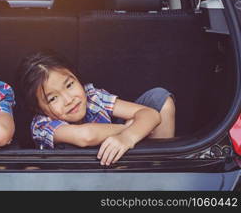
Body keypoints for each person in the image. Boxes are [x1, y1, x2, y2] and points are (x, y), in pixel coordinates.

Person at [16, 50, 175, 165]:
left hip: (120, 162)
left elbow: (151, 114)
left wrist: (128, 137)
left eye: (70, 85)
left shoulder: (92, 96)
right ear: (38, 108)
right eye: (52, 98)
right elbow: (86, 135)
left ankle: (158, 168)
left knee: (160, 98)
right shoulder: (41, 125)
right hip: (76, 179)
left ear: (77, 78)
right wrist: (131, 128)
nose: (69, 99)